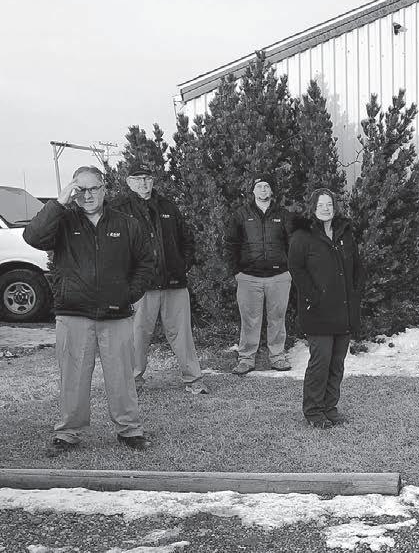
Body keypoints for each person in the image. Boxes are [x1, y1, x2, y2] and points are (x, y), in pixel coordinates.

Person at [23, 166, 157, 455]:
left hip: (116, 314)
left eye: (93, 188)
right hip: (73, 314)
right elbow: (32, 237)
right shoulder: (62, 220)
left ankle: (129, 430)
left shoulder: (127, 223)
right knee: (73, 377)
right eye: (80, 190)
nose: (87, 195)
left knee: (122, 377)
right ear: (73, 192)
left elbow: (146, 262)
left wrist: (128, 294)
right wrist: (58, 203)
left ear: (104, 189)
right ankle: (68, 433)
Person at [109, 162, 208, 395]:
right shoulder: (118, 209)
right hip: (140, 287)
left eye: (147, 178)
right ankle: (133, 381)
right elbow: (111, 246)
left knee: (182, 335)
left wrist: (182, 265)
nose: (143, 183)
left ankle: (193, 379)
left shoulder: (168, 206)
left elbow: (187, 239)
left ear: (153, 181)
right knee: (137, 336)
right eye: (138, 179)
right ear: (129, 182)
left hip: (174, 283)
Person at [288, 189, 361, 429]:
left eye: (329, 204)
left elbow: (357, 265)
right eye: (321, 205)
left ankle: (330, 407)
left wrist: (355, 291)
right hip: (318, 310)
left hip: (343, 309)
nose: (326, 209)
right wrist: (313, 296)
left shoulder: (344, 233)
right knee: (321, 362)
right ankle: (313, 411)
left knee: (337, 363)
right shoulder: (302, 236)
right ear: (313, 207)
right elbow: (296, 269)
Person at [225, 174, 295, 374]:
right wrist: (236, 271)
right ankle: (246, 359)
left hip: (279, 276)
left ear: (272, 190)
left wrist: (290, 270)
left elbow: (294, 243)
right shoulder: (241, 215)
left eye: (267, 186)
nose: (263, 190)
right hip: (249, 277)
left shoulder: (283, 215)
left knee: (277, 318)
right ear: (253, 190)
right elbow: (231, 244)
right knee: (249, 320)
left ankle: (278, 357)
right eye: (259, 186)